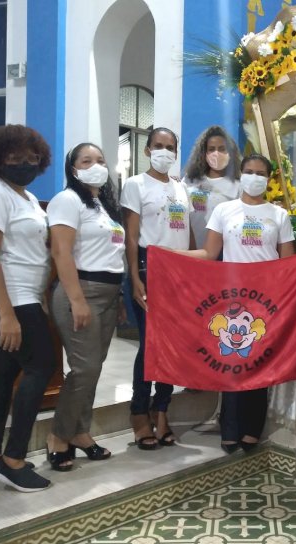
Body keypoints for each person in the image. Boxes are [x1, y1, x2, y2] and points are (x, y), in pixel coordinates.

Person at [184, 154, 294, 453]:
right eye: (249, 171)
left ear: (268, 179)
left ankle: (252, 426)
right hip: (232, 297)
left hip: (266, 299)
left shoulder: (279, 215)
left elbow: (287, 264)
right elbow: (209, 254)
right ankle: (229, 426)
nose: (255, 177)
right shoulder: (224, 209)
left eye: (261, 173)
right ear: (241, 174)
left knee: (258, 363)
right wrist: (169, 253)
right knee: (231, 362)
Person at [0, 125, 55, 492]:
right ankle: (13, 460)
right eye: (15, 157)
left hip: (23, 293)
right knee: (41, 366)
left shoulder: (27, 196)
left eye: (31, 157)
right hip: (10, 295)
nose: (25, 163)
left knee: (5, 371)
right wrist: (6, 313)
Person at [44, 143, 125, 471]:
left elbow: (112, 254)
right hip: (81, 292)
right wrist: (77, 299)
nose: (95, 165)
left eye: (100, 160)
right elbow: (61, 252)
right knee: (85, 369)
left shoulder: (104, 206)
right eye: (86, 160)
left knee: (94, 368)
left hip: (108, 294)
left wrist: (117, 297)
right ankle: (59, 435)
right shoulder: (67, 200)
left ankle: (80, 432)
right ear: (73, 168)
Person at [120, 127, 194, 449]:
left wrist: (195, 270)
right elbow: (132, 236)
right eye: (159, 146)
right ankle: (139, 411)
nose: (165, 152)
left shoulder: (181, 189)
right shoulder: (136, 185)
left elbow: (188, 234)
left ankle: (161, 409)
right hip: (150, 268)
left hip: (180, 270)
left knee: (172, 346)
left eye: (170, 147)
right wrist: (135, 277)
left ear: (176, 153)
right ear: (148, 149)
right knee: (151, 344)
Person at [183, 125, 241, 249]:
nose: (216, 153)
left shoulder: (238, 186)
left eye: (222, 149)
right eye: (211, 149)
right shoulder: (190, 180)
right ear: (204, 153)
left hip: (222, 252)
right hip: (189, 248)